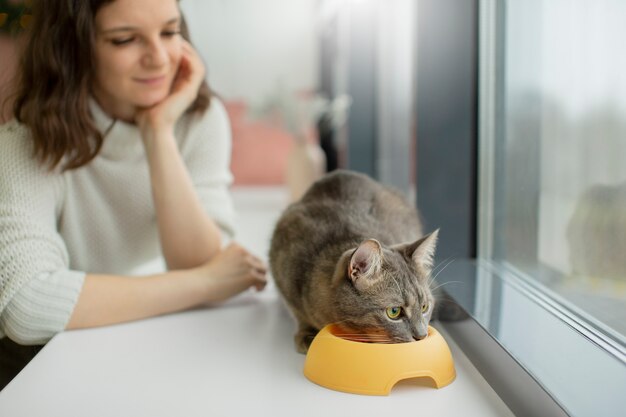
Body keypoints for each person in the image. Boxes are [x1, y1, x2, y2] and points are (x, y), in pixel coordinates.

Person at [0, 0, 267, 389]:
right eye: (125, 39)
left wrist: (158, 133)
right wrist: (206, 283)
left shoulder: (198, 119)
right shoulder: (24, 143)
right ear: (76, 48)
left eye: (170, 32)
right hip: (33, 366)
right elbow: (28, 307)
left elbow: (198, 260)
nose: (159, 58)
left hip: (128, 343)